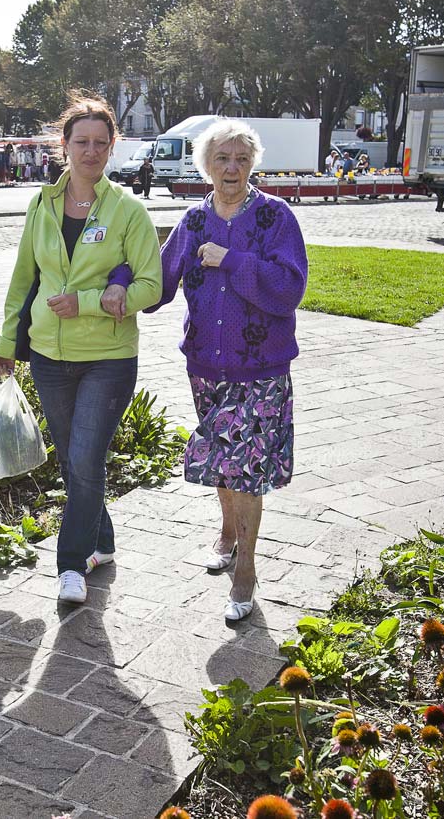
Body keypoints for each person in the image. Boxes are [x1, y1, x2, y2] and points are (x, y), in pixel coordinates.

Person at [111, 119, 308, 621]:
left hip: (260, 367)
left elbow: (289, 289)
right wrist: (117, 280)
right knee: (225, 460)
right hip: (205, 365)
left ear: (253, 164)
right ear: (205, 166)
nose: (232, 168)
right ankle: (226, 532)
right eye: (222, 158)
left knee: (246, 469)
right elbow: (159, 280)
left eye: (241, 158)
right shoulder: (193, 222)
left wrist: (232, 260)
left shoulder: (275, 218)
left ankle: (246, 568)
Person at [0, 94, 162, 605]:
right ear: (63, 146)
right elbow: (24, 280)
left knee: (85, 455)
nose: (90, 151)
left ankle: (70, 565)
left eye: (100, 143)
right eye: (81, 141)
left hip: (107, 358)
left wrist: (88, 302)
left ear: (112, 149)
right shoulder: (41, 205)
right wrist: (5, 342)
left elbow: (151, 285)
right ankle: (102, 541)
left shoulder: (129, 211)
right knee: (72, 459)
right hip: (48, 356)